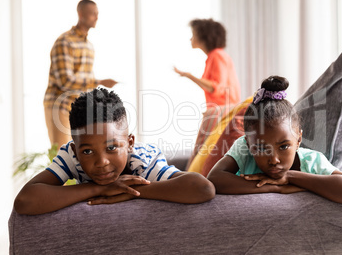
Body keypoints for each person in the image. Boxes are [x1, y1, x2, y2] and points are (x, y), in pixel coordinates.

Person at [15, 88, 215, 215]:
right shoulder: (70, 155)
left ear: (129, 143)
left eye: (111, 148)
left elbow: (203, 188)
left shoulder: (142, 160)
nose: (101, 161)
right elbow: (25, 201)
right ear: (75, 150)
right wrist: (99, 189)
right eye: (87, 152)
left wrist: (131, 191)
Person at [207, 76, 342, 204]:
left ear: (299, 139)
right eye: (261, 148)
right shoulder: (244, 149)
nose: (273, 160)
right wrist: (275, 187)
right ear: (249, 144)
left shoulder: (312, 161)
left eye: (284, 147)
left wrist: (289, 177)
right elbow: (215, 179)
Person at [43, 0, 118, 150]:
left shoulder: (89, 46)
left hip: (78, 108)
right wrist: (99, 81)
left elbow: (84, 81)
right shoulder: (65, 42)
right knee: (62, 155)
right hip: (61, 106)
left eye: (97, 14)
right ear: (81, 14)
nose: (96, 17)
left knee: (81, 154)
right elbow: (65, 82)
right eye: (92, 14)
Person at [173, 18, 241, 167]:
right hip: (222, 111)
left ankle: (188, 178)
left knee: (200, 150)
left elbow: (216, 88)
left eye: (193, 34)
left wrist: (188, 75)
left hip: (222, 112)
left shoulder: (217, 55)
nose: (191, 38)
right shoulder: (217, 56)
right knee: (206, 151)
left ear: (203, 36)